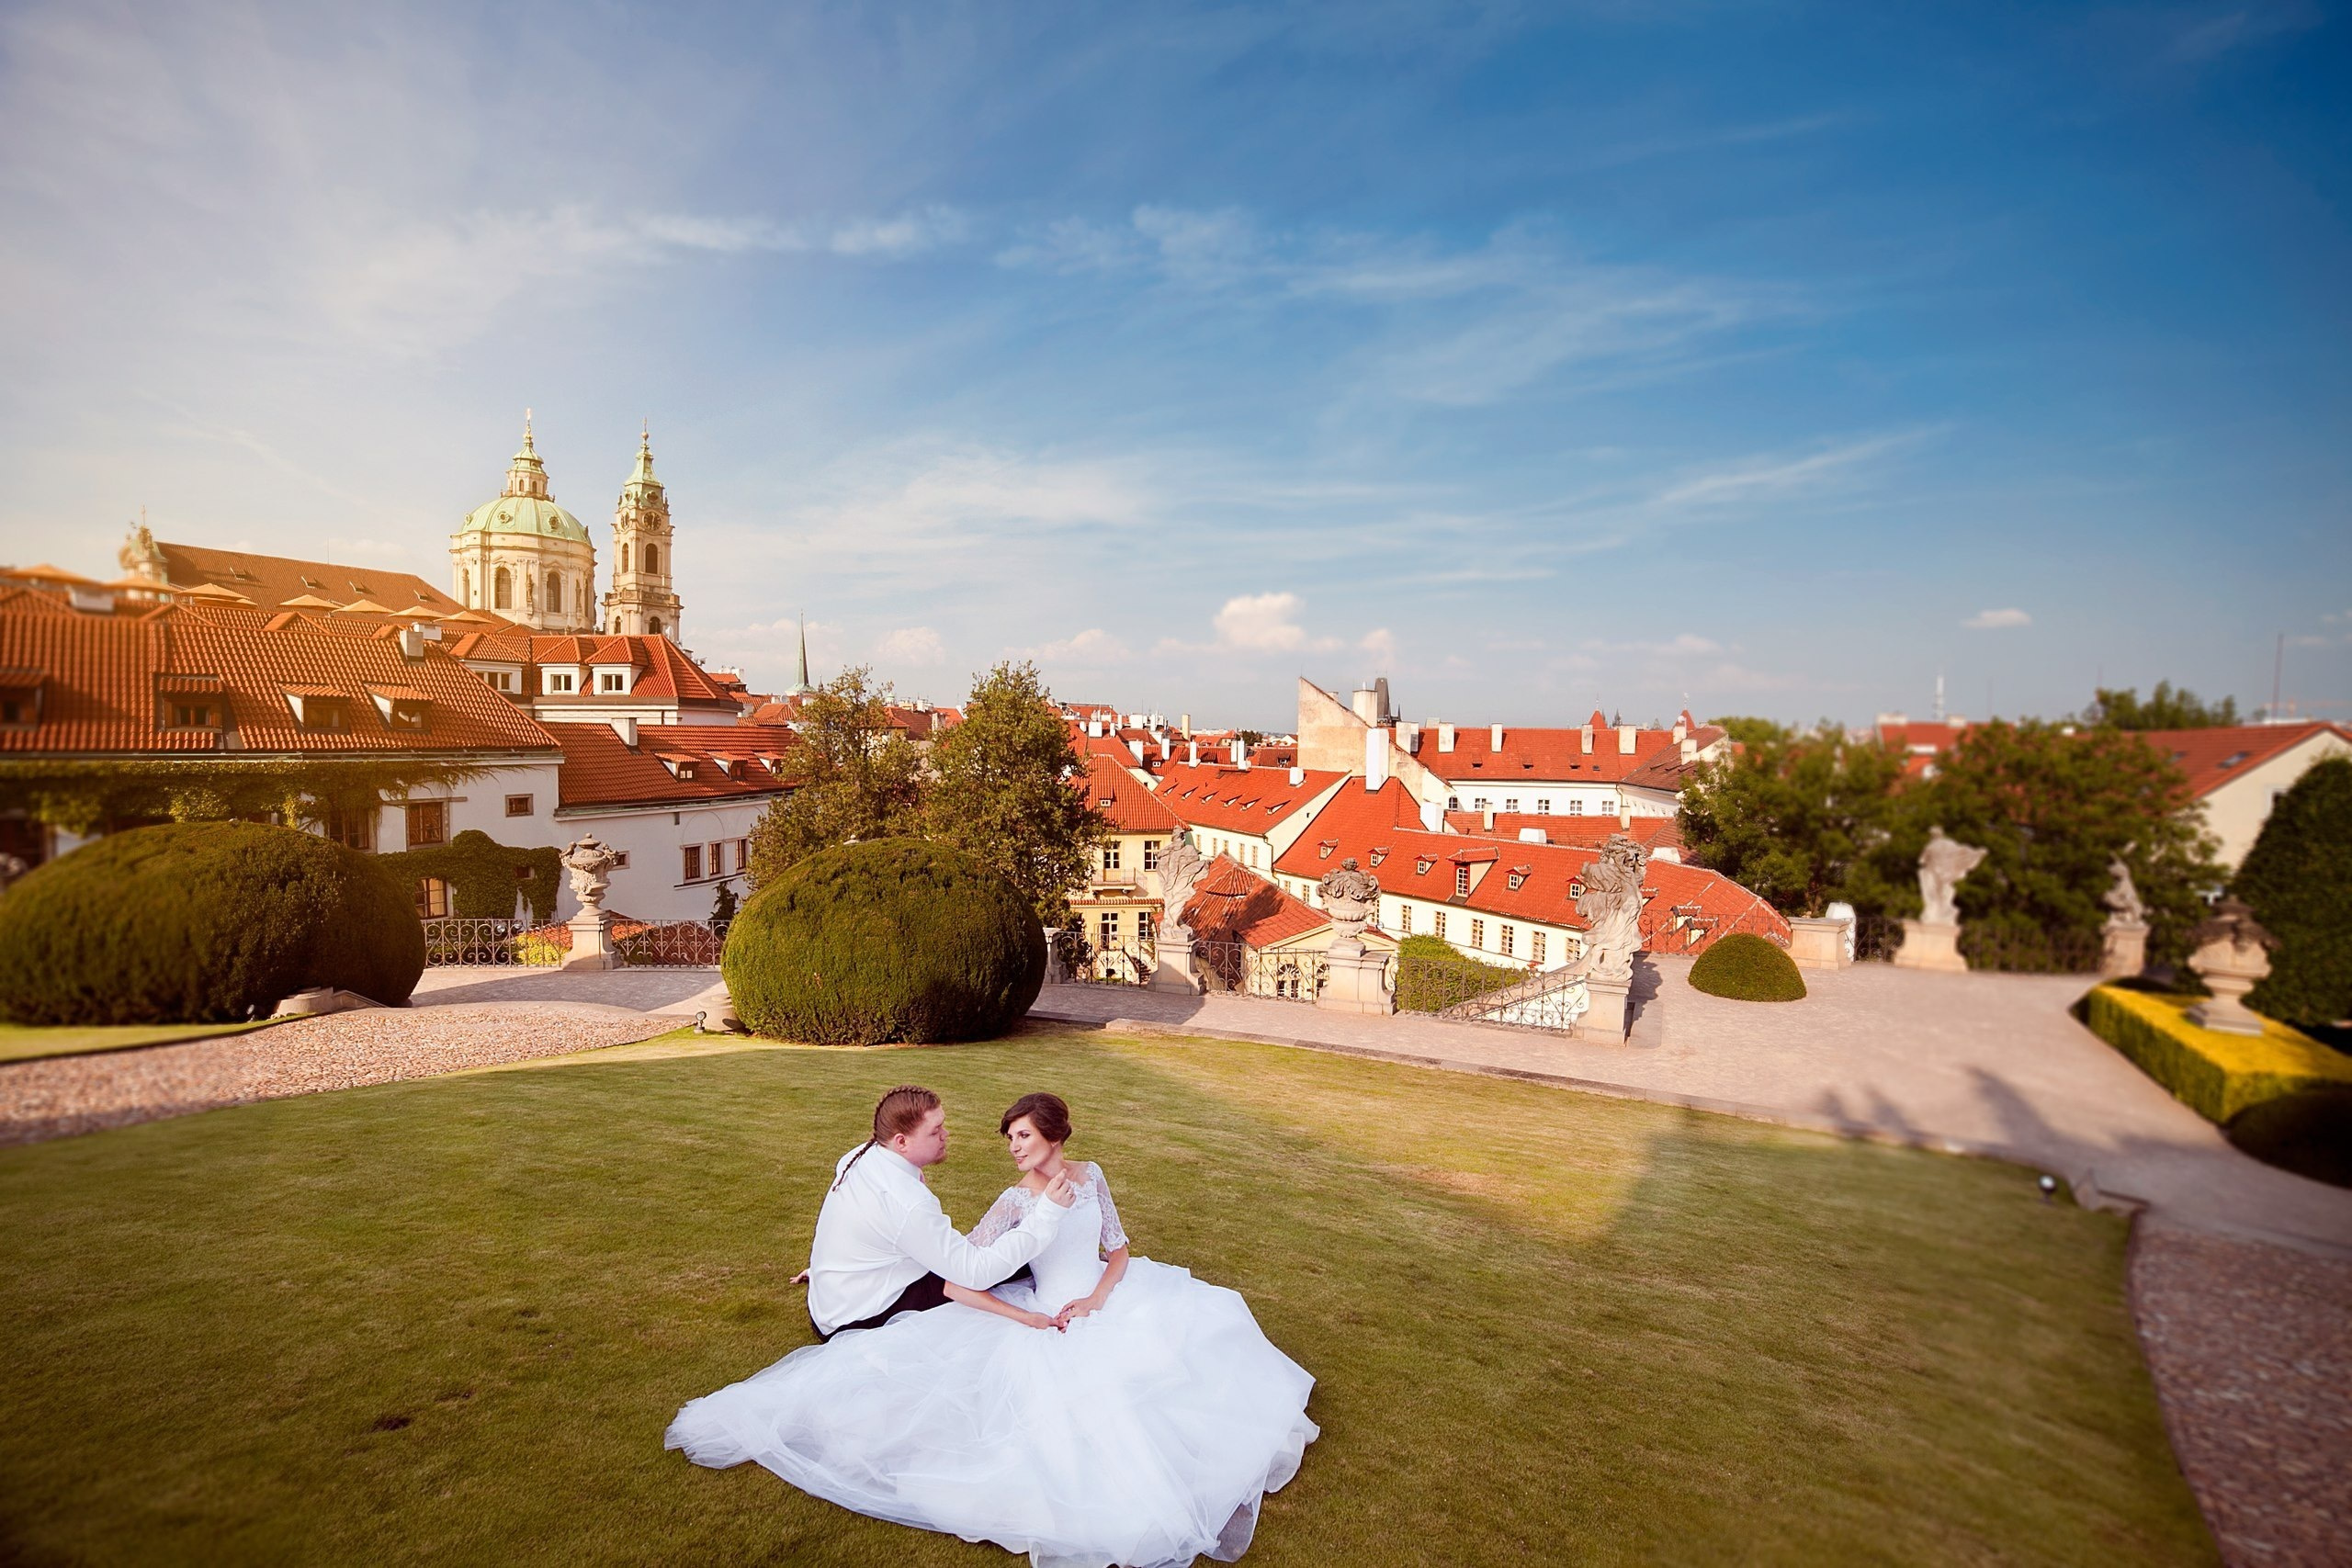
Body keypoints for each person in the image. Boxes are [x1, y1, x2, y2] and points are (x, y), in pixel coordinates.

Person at [666, 1090, 1318, 1568]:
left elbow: (1116, 1249)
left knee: (1198, 1346)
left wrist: (1095, 1297)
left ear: (1056, 1137)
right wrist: (1026, 1314)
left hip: (1103, 1299)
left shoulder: (1091, 1178)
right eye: (1008, 1138)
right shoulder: (1010, 1201)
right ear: (902, 1138)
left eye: (1024, 1138)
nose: (1012, 1148)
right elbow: (963, 1270)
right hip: (1041, 1311)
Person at [798, 1084, 1074, 1340]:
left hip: (829, 1300)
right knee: (996, 1269)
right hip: (858, 1318)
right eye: (934, 1131)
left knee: (975, 1254)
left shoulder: (863, 1155)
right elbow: (975, 1272)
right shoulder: (907, 1202)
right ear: (901, 1142)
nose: (945, 1135)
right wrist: (1046, 1214)